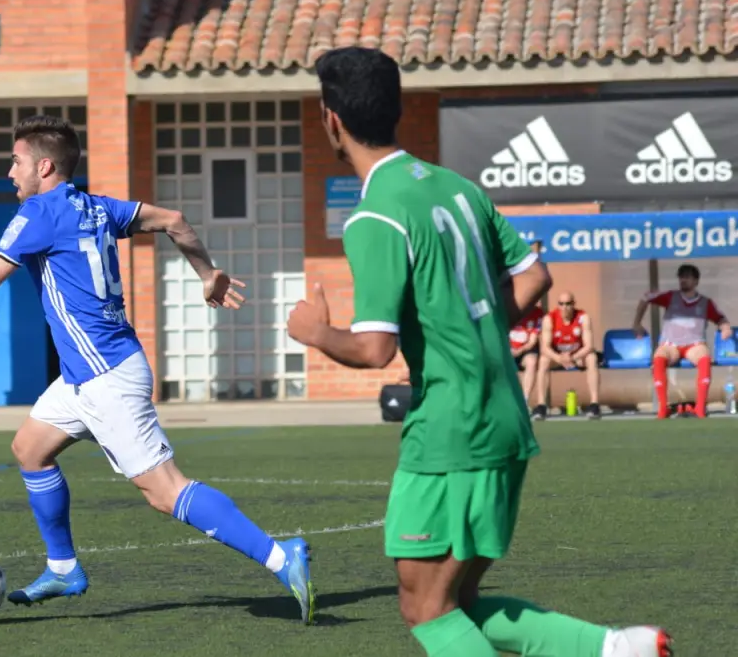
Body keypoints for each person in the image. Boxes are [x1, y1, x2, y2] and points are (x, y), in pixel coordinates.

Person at [286, 46, 672, 657]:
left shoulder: (375, 216)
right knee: (457, 603)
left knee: (425, 609)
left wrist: (315, 332)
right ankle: (616, 648)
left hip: (451, 430)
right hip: (506, 421)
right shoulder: (458, 188)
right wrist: (477, 328)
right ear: (396, 109)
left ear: (330, 118)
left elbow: (375, 348)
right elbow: (534, 276)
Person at [0, 115, 315, 622]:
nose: (9, 172)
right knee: (30, 449)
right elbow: (174, 220)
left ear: (44, 166)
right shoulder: (99, 207)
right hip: (87, 375)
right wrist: (207, 272)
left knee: (165, 492)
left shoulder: (38, 212)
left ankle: (281, 556)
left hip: (106, 377)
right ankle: (63, 568)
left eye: (15, 161)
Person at [633, 263, 732, 419]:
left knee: (704, 357)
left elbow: (720, 318)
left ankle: (700, 408)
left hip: (694, 344)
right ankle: (663, 409)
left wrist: (725, 328)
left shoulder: (705, 302)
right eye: (681, 277)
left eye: (687, 277)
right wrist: (637, 323)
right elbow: (646, 297)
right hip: (671, 344)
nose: (683, 280)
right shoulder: (671, 297)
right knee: (659, 357)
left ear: (696, 281)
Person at [532, 292, 602, 420]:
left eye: (568, 304)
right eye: (561, 304)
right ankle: (541, 405)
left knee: (592, 358)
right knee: (543, 361)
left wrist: (572, 358)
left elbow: (589, 346)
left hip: (577, 356)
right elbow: (545, 348)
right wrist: (559, 358)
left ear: (574, 304)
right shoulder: (549, 318)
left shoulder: (583, 317)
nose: (565, 307)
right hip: (557, 357)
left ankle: (594, 404)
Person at [510, 292, 544, 409]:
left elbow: (532, 341)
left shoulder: (538, 313)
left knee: (532, 361)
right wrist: (509, 350)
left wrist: (520, 350)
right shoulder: (509, 310)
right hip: (508, 349)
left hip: (524, 350)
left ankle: (524, 400)